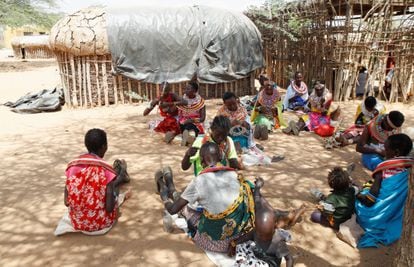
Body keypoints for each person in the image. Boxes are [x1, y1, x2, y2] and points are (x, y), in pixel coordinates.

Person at [160, 142, 255, 253]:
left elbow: (172, 210)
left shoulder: (199, 181)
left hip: (216, 243)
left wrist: (165, 199)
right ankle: (170, 185)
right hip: (238, 239)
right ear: (221, 156)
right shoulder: (236, 175)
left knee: (185, 208)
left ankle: (166, 188)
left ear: (201, 161)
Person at [62, 128, 130, 234]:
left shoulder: (72, 166)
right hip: (101, 222)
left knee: (104, 184)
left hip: (77, 221)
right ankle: (120, 177)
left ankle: (120, 176)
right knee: (112, 188)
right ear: (104, 146)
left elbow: (66, 202)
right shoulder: (105, 168)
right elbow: (109, 208)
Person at [355, 134, 414, 248]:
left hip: (372, 219)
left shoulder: (383, 168)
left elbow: (370, 201)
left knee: (359, 196)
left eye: (386, 149)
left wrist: (357, 194)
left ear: (396, 152)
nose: (383, 151)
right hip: (397, 217)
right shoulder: (410, 168)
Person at [177, 81, 206, 146]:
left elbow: (202, 118)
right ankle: (187, 137)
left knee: (190, 127)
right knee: (180, 126)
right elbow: (180, 114)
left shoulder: (200, 102)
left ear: (194, 91)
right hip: (183, 122)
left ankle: (189, 137)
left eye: (188, 89)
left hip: (195, 123)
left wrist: (191, 120)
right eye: (186, 89)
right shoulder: (183, 100)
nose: (186, 91)